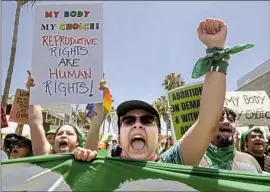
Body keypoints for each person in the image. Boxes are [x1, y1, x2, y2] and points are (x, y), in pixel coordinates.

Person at [74, 18, 228, 166]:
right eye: (128, 121)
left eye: (147, 120)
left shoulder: (172, 163)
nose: (138, 125)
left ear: (160, 138)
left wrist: (216, 50)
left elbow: (207, 123)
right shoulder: (104, 167)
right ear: (119, 139)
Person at [26, 71, 89, 157]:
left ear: (78, 141)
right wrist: (33, 93)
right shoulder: (45, 155)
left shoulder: (85, 159)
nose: (63, 135)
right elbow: (35, 124)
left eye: (69, 133)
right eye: (59, 134)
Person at [199, 107, 263, 173]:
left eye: (231, 120)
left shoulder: (251, 160)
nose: (227, 122)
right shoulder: (194, 160)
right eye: (219, 119)